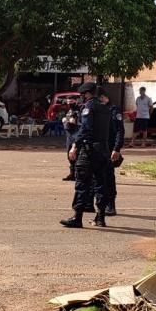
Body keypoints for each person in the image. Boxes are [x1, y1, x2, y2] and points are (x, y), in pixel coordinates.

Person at [60, 82, 111, 228]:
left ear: (86, 94)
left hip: (90, 150)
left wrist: (75, 145)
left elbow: (86, 129)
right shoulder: (105, 108)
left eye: (82, 95)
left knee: (82, 183)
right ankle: (100, 217)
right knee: (101, 184)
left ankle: (77, 217)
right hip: (103, 150)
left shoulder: (88, 108)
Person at [99, 86, 124, 216]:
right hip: (99, 148)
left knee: (108, 177)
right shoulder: (98, 110)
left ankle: (111, 205)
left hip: (109, 149)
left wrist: (117, 148)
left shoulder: (113, 110)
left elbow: (120, 131)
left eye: (101, 98)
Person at [61, 98, 80, 181]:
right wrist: (65, 121)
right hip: (69, 135)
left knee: (76, 154)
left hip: (75, 134)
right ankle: (72, 174)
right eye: (68, 102)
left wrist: (69, 121)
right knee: (69, 155)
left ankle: (77, 175)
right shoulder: (69, 110)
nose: (69, 103)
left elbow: (77, 122)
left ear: (75, 101)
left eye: (71, 101)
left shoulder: (78, 110)